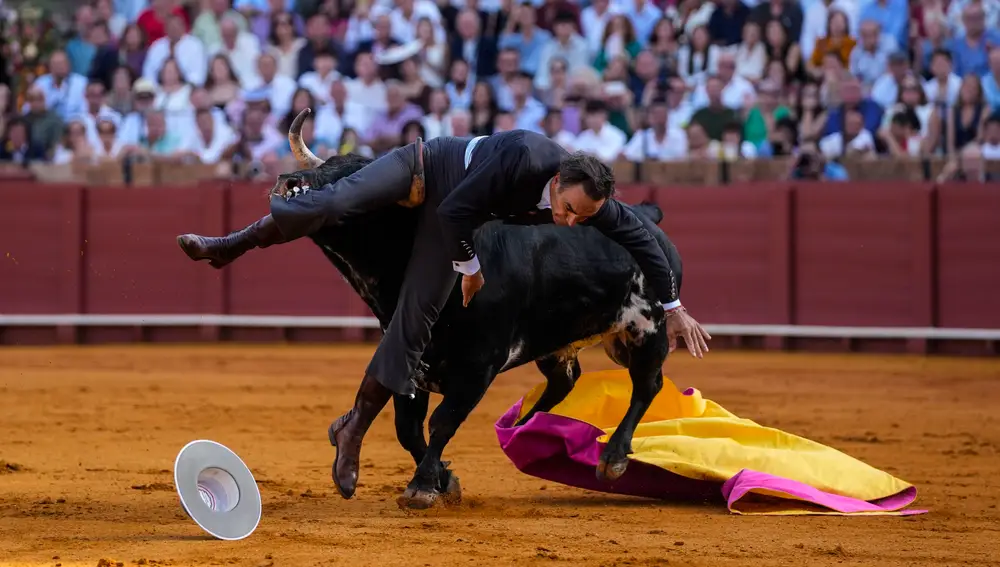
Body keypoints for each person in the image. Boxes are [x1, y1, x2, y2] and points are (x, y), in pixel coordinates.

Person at [176, 113, 711, 498]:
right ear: (557, 180)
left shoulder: (589, 201)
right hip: (427, 173)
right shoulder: (526, 157)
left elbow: (643, 239)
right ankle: (231, 245)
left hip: (455, 222)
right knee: (334, 201)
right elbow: (455, 210)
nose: (571, 221)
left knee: (412, 320)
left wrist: (674, 305)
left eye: (583, 217)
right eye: (568, 209)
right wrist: (471, 268)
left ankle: (354, 431)